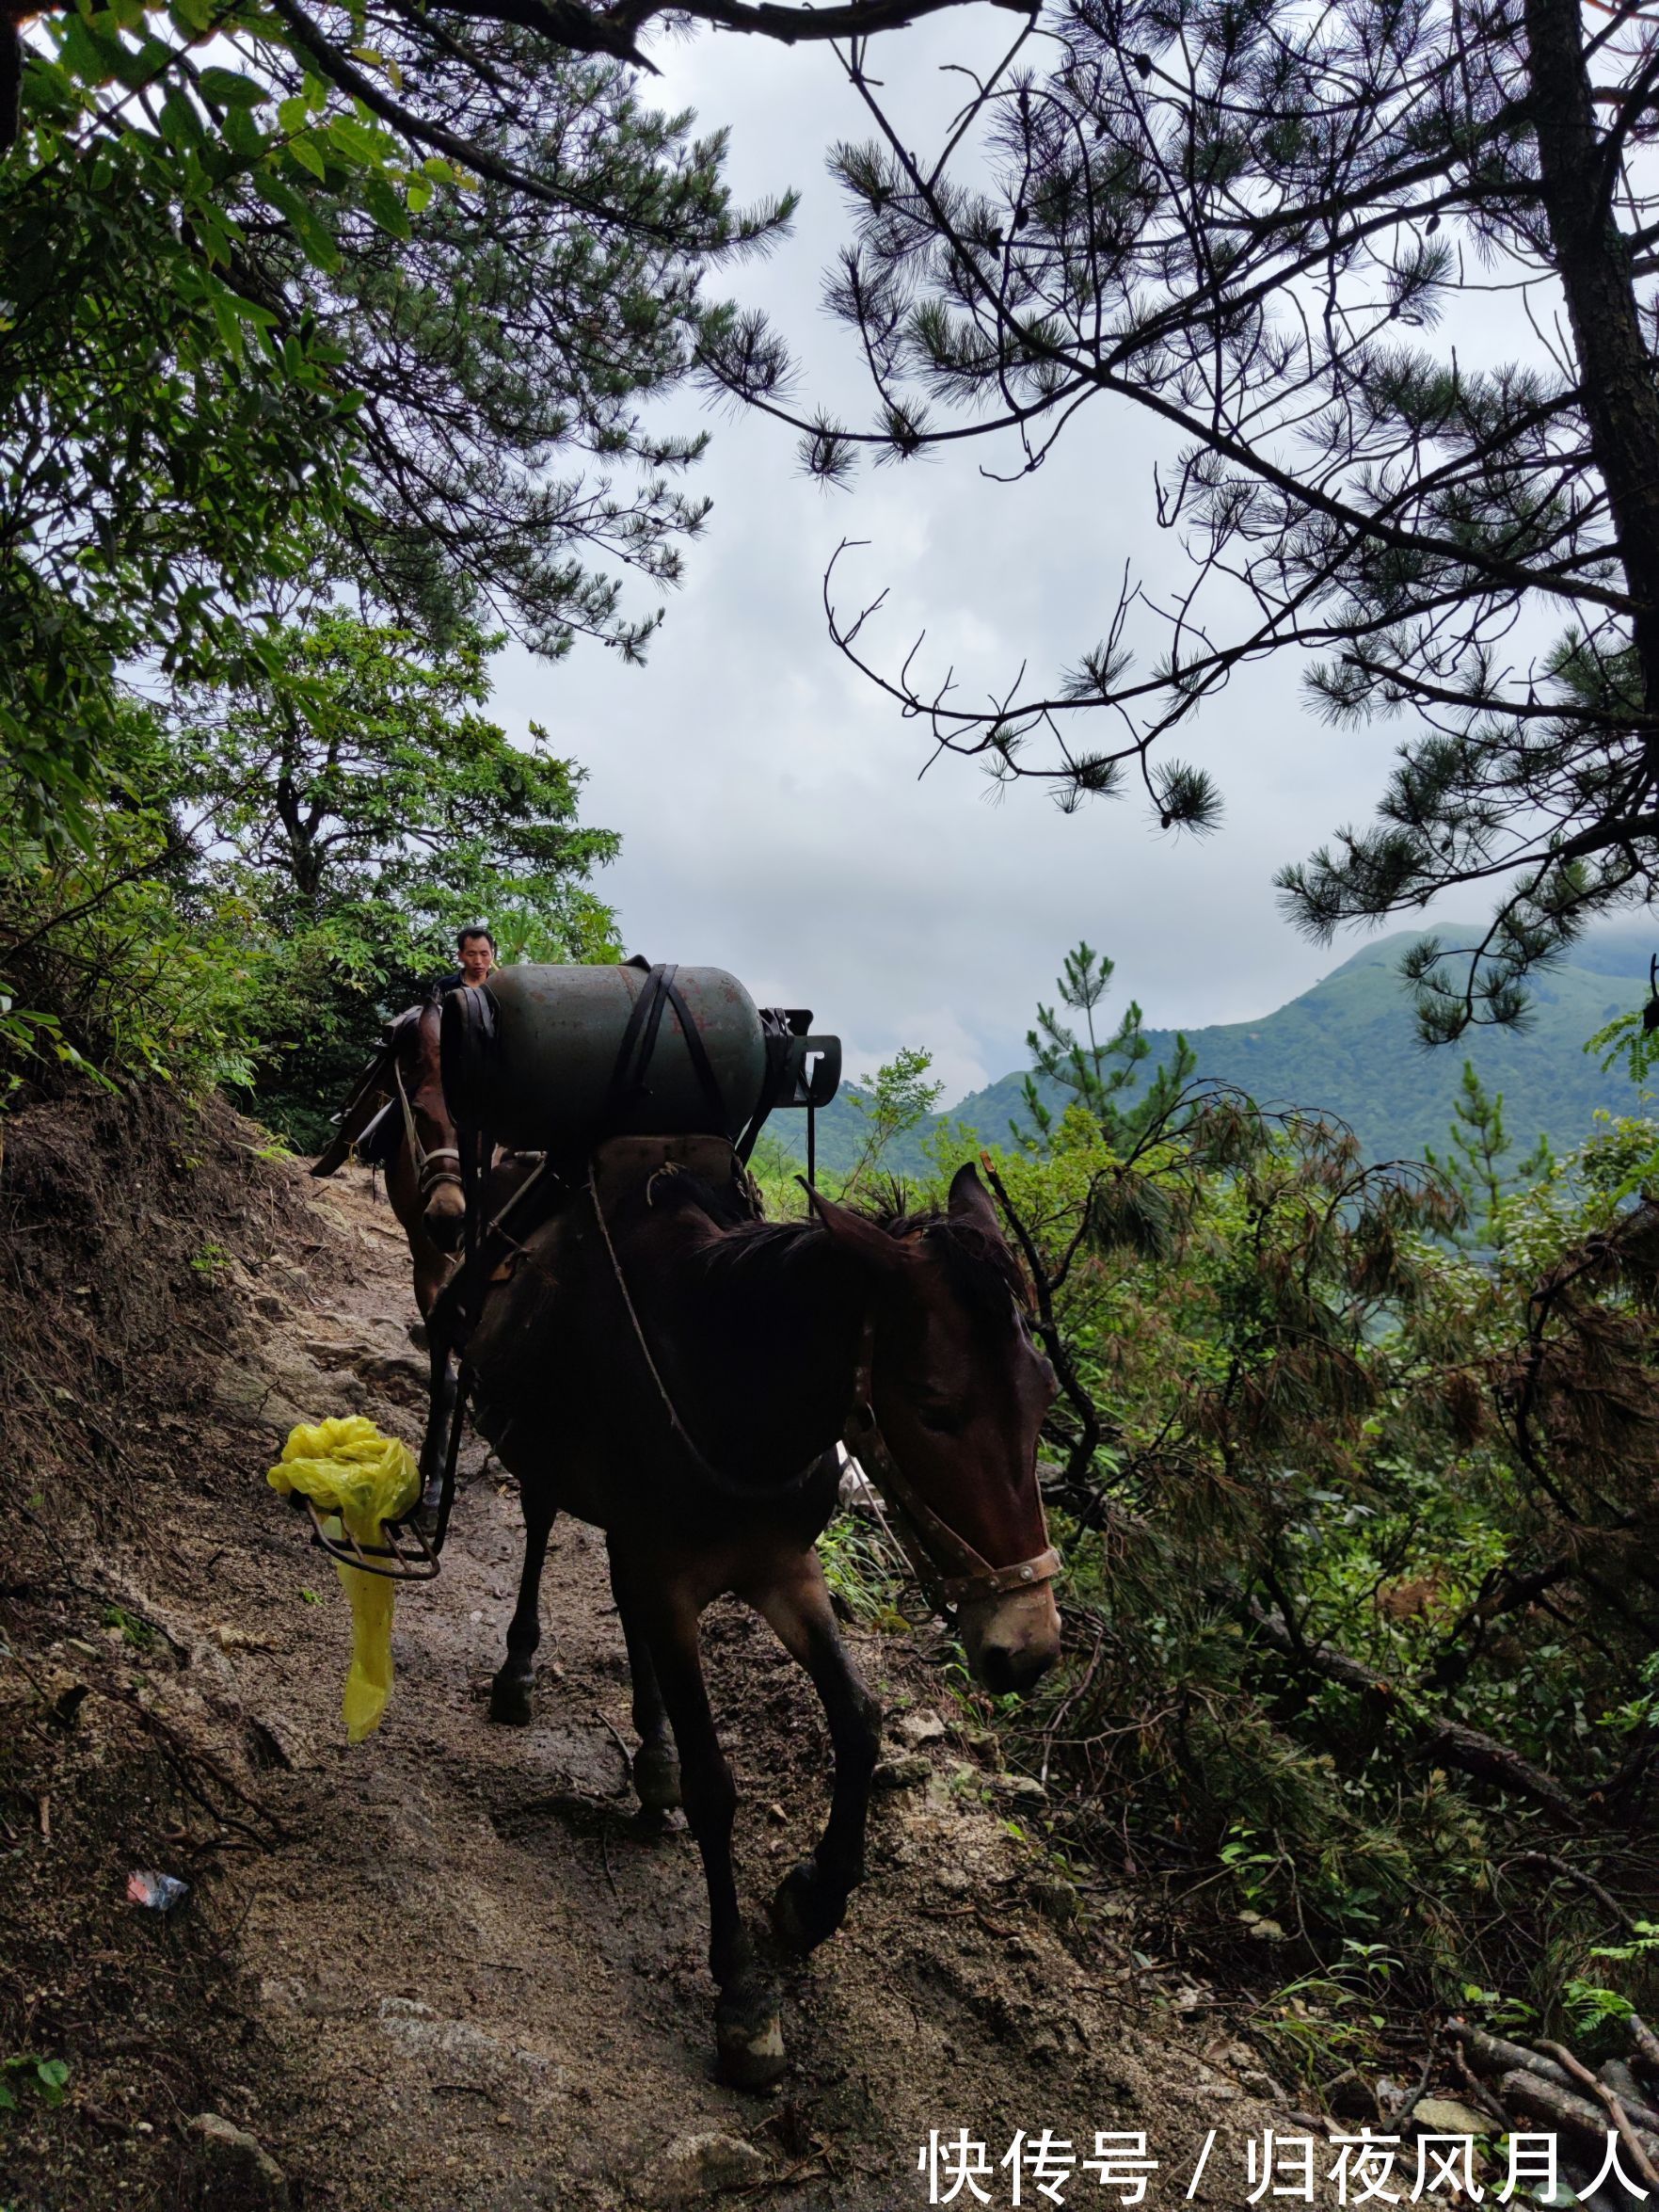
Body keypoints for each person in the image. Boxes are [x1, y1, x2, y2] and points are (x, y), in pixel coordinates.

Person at [433, 925, 497, 997]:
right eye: (471, 954)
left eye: (484, 954)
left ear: (492, 955)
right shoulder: (444, 986)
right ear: (460, 956)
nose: (478, 961)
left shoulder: (499, 987)